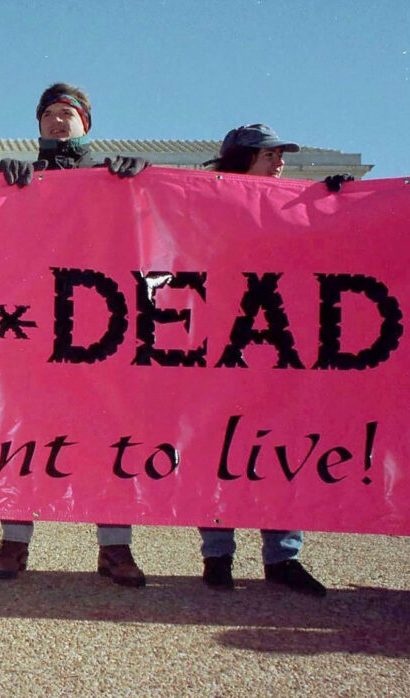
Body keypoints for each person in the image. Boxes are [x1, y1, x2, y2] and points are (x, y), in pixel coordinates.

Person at [0, 83, 149, 587]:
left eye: (69, 115)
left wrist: (142, 183)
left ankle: (115, 548)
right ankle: (14, 541)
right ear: (38, 124)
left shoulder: (112, 179)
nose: (59, 122)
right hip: (33, 328)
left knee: (107, 436)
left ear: (87, 125)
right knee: (24, 435)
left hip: (95, 327)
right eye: (51, 115)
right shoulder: (16, 180)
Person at [198, 123, 327, 597]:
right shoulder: (207, 204)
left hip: (280, 348)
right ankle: (218, 556)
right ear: (245, 158)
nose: (280, 163)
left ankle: (282, 557)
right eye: (271, 155)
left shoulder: (296, 207)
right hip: (220, 347)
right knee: (219, 451)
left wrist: (341, 204)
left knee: (281, 450)